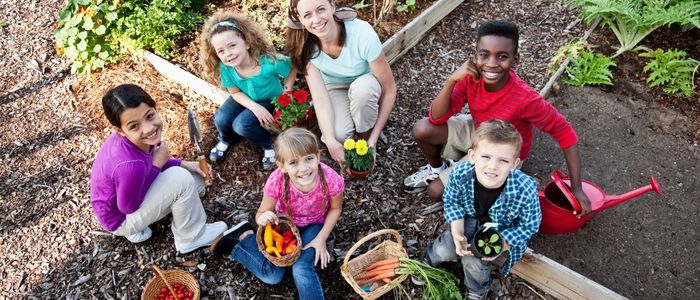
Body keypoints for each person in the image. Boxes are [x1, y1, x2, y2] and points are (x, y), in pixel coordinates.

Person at [402, 20, 592, 216]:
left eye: (502, 57)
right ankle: (438, 168)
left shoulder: (525, 99)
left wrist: (576, 187)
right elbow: (436, 118)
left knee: (435, 192)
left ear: (515, 59)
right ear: (475, 55)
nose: (491, 63)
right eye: (484, 55)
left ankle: (480, 188)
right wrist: (452, 80)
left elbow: (565, 133)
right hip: (479, 130)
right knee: (422, 129)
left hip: (502, 149)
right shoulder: (471, 78)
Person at [90, 84, 227, 254]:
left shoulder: (132, 142)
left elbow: (151, 163)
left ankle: (150, 222)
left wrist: (185, 164)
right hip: (121, 219)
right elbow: (128, 207)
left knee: (195, 179)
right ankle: (191, 237)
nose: (147, 128)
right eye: (134, 126)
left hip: (120, 201)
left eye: (149, 116)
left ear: (155, 108)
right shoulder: (130, 167)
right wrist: (157, 165)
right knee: (181, 180)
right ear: (120, 130)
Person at [209, 128, 344, 300]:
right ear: (282, 166)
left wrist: (322, 238)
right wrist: (262, 218)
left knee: (301, 267)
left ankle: (247, 238)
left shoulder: (330, 179)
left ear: (317, 156)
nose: (304, 168)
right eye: (293, 163)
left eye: (309, 159)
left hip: (314, 226)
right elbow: (261, 213)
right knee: (272, 276)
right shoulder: (277, 180)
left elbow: (336, 208)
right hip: (283, 225)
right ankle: (243, 241)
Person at [422, 119, 541, 300]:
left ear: (514, 163)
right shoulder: (460, 174)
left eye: (503, 160)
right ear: (472, 155)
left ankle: (477, 290)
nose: (493, 166)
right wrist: (457, 232)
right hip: (468, 218)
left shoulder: (525, 189)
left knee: (475, 262)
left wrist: (502, 245)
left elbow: (530, 225)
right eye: (486, 157)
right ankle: (428, 261)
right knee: (446, 247)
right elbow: (452, 202)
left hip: (499, 229)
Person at [285, 0, 397, 167]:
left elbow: (389, 90)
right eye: (307, 15)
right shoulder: (304, 46)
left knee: (362, 93)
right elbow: (320, 97)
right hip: (335, 87)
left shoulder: (361, 33)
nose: (316, 20)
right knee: (338, 136)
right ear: (300, 19)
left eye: (321, 9)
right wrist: (330, 140)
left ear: (332, 6)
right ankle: (355, 125)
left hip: (366, 83)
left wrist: (372, 141)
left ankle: (364, 135)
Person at [200, 12, 297, 170]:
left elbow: (292, 66)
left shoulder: (268, 62)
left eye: (232, 45)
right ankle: (226, 139)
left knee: (242, 125)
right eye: (221, 51)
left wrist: (287, 91)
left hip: (269, 99)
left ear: (247, 43)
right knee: (221, 117)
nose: (228, 54)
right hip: (244, 97)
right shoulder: (226, 68)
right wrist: (254, 107)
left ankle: (269, 145)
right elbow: (235, 93)